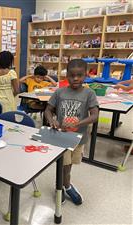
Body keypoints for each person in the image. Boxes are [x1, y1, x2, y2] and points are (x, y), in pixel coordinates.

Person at [45, 59, 99, 205]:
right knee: (64, 165)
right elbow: (48, 110)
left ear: (85, 75)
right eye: (72, 75)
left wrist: (79, 122)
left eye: (79, 75)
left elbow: (95, 115)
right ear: (66, 75)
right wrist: (52, 121)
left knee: (69, 166)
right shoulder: (59, 92)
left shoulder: (89, 93)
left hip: (79, 139)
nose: (75, 78)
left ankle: (65, 185)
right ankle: (63, 187)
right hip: (62, 137)